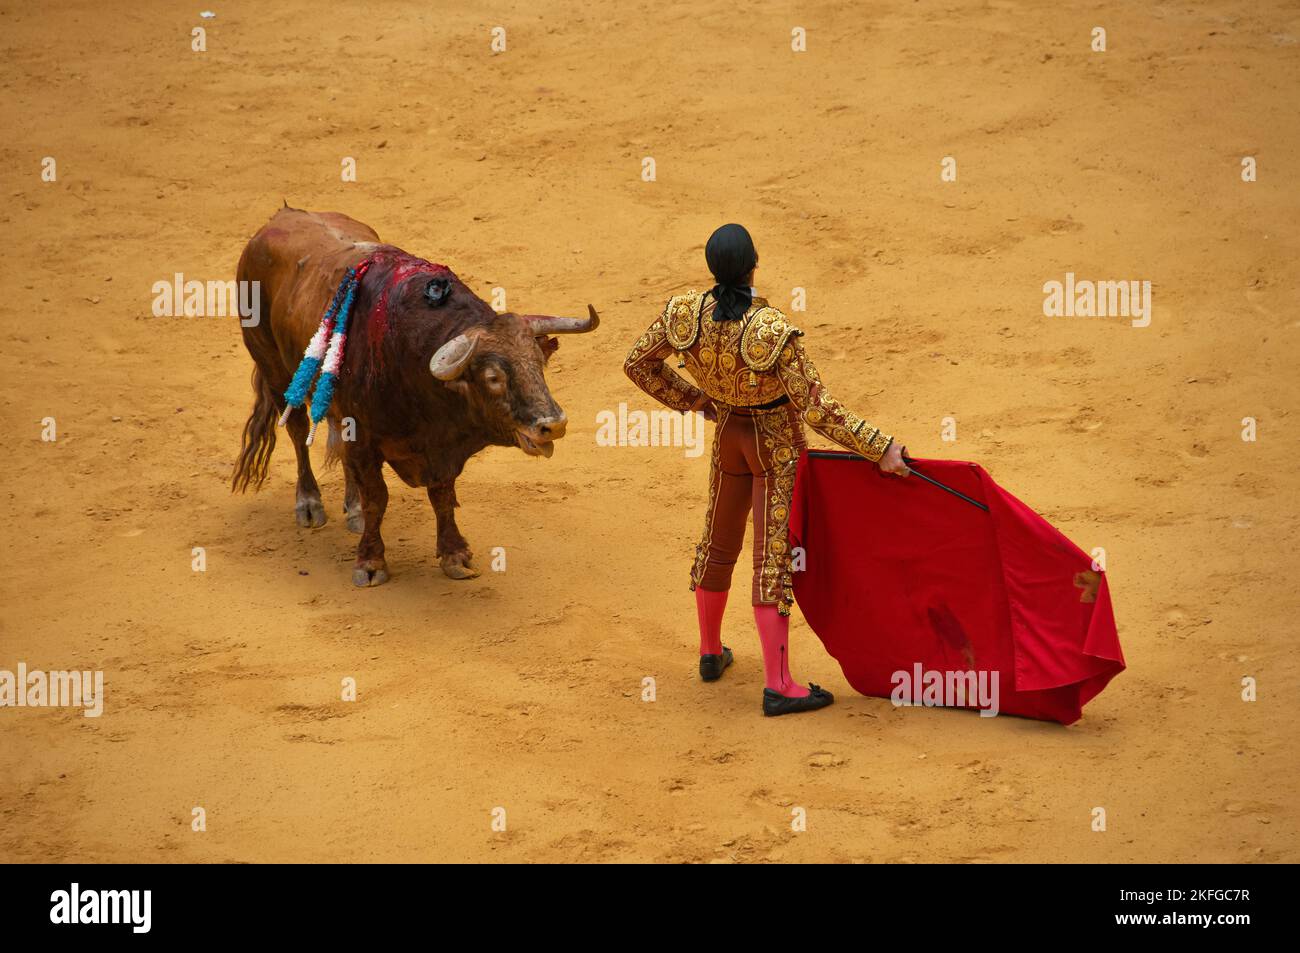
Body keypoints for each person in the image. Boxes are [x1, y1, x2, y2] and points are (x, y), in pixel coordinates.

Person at [624, 223, 909, 716]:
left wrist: (696, 401)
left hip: (728, 436)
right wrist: (878, 447)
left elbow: (638, 364)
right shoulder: (772, 330)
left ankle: (710, 652)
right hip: (774, 443)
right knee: (770, 555)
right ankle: (778, 683)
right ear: (754, 264)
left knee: (717, 541)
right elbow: (817, 411)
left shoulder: (684, 313)